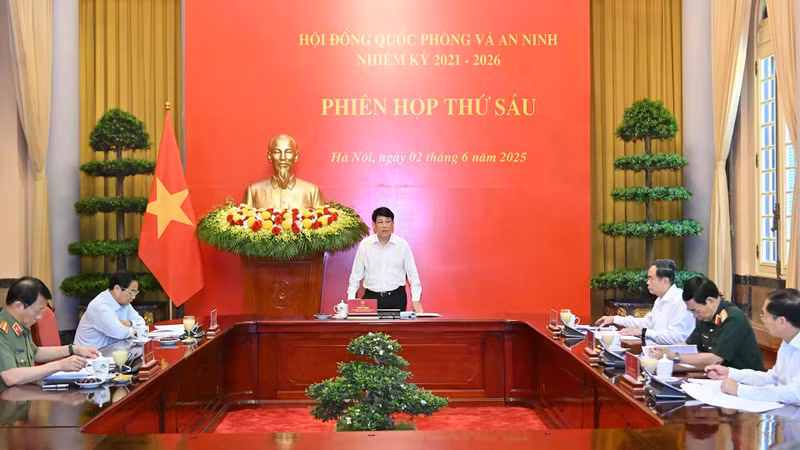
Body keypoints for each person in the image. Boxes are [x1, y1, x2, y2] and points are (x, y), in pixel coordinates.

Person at [0, 277, 100, 389]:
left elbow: (35, 353)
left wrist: (74, 349)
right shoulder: (2, 330)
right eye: (38, 311)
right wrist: (59, 365)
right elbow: (10, 376)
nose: (39, 317)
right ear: (19, 306)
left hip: (23, 395)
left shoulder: (18, 325)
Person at [704, 288, 800, 404]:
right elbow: (772, 379)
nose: (763, 320)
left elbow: (794, 394)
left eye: (764, 316)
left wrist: (740, 390)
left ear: (781, 321)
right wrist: (730, 373)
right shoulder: (787, 343)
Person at [650, 277, 764, 371]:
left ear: (710, 301)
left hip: (743, 382)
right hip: (716, 377)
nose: (694, 315)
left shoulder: (733, 318)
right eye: (691, 311)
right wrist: (662, 351)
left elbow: (715, 359)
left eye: (695, 310)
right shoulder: (705, 317)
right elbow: (687, 345)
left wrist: (673, 356)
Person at [595, 259, 694, 344]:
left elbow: (676, 337)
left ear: (665, 281)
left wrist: (643, 332)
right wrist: (614, 319)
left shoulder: (680, 300)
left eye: (651, 278)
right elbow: (646, 323)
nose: (647, 282)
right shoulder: (660, 299)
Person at [347, 207, 423, 313]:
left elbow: (413, 275)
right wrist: (351, 300)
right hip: (371, 298)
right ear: (374, 225)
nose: (384, 226)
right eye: (380, 222)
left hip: (396, 298)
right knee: (369, 329)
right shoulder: (365, 245)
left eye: (388, 221)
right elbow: (355, 275)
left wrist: (416, 299)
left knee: (395, 330)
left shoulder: (402, 245)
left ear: (392, 224)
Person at [243, 134, 324, 209]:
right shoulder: (254, 191)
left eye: (288, 152)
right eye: (277, 152)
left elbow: (322, 221)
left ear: (295, 156)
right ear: (270, 156)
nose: (283, 158)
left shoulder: (311, 191)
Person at [74, 272, 146, 348]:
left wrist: (129, 323)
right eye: (131, 292)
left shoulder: (125, 303)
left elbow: (141, 322)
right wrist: (135, 331)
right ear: (117, 289)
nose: (134, 297)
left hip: (110, 352)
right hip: (88, 357)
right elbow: (120, 333)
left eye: (136, 293)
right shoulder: (100, 306)